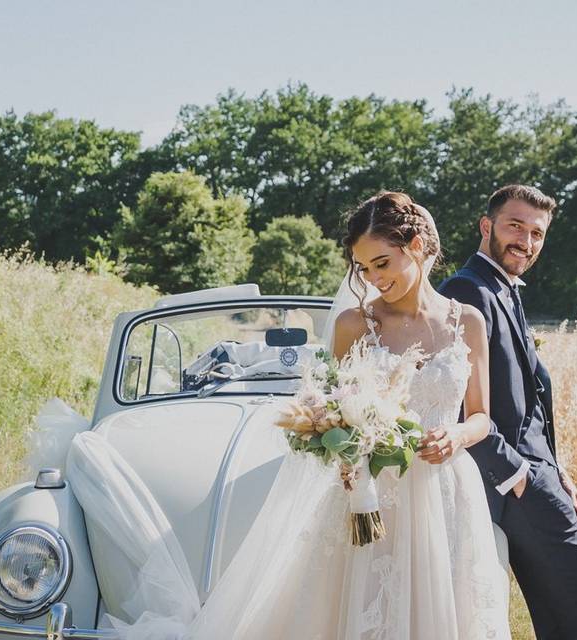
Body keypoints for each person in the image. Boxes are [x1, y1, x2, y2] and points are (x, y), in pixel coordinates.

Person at [62, 190, 511, 640]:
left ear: (415, 246)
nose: (374, 279)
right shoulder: (356, 324)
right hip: (370, 492)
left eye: (382, 263)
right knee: (364, 608)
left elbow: (481, 417)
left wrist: (456, 436)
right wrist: (345, 440)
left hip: (442, 489)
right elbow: (329, 405)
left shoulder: (467, 321)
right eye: (364, 268)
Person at [438, 184, 577, 640]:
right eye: (515, 226)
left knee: (562, 613)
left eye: (537, 233)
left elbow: (530, 399)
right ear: (486, 226)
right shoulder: (467, 290)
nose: (526, 241)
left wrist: (559, 472)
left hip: (537, 472)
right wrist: (518, 475)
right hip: (514, 476)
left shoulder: (505, 289)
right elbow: (457, 400)